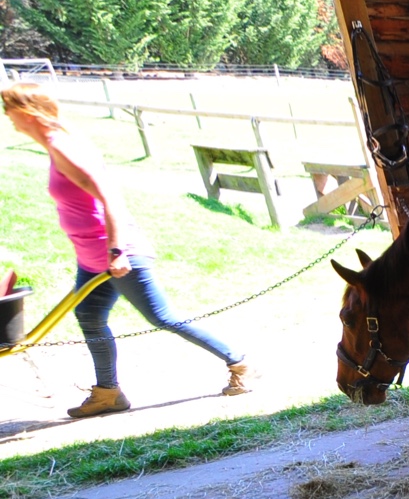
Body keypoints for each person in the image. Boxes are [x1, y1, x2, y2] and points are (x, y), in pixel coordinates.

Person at [2, 82, 249, 418]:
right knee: (89, 316)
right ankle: (108, 392)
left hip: (117, 254)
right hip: (92, 258)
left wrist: (117, 250)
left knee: (162, 317)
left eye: (9, 108)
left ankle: (238, 361)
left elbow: (110, 198)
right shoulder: (55, 143)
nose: (7, 116)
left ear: (28, 111)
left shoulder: (62, 145)